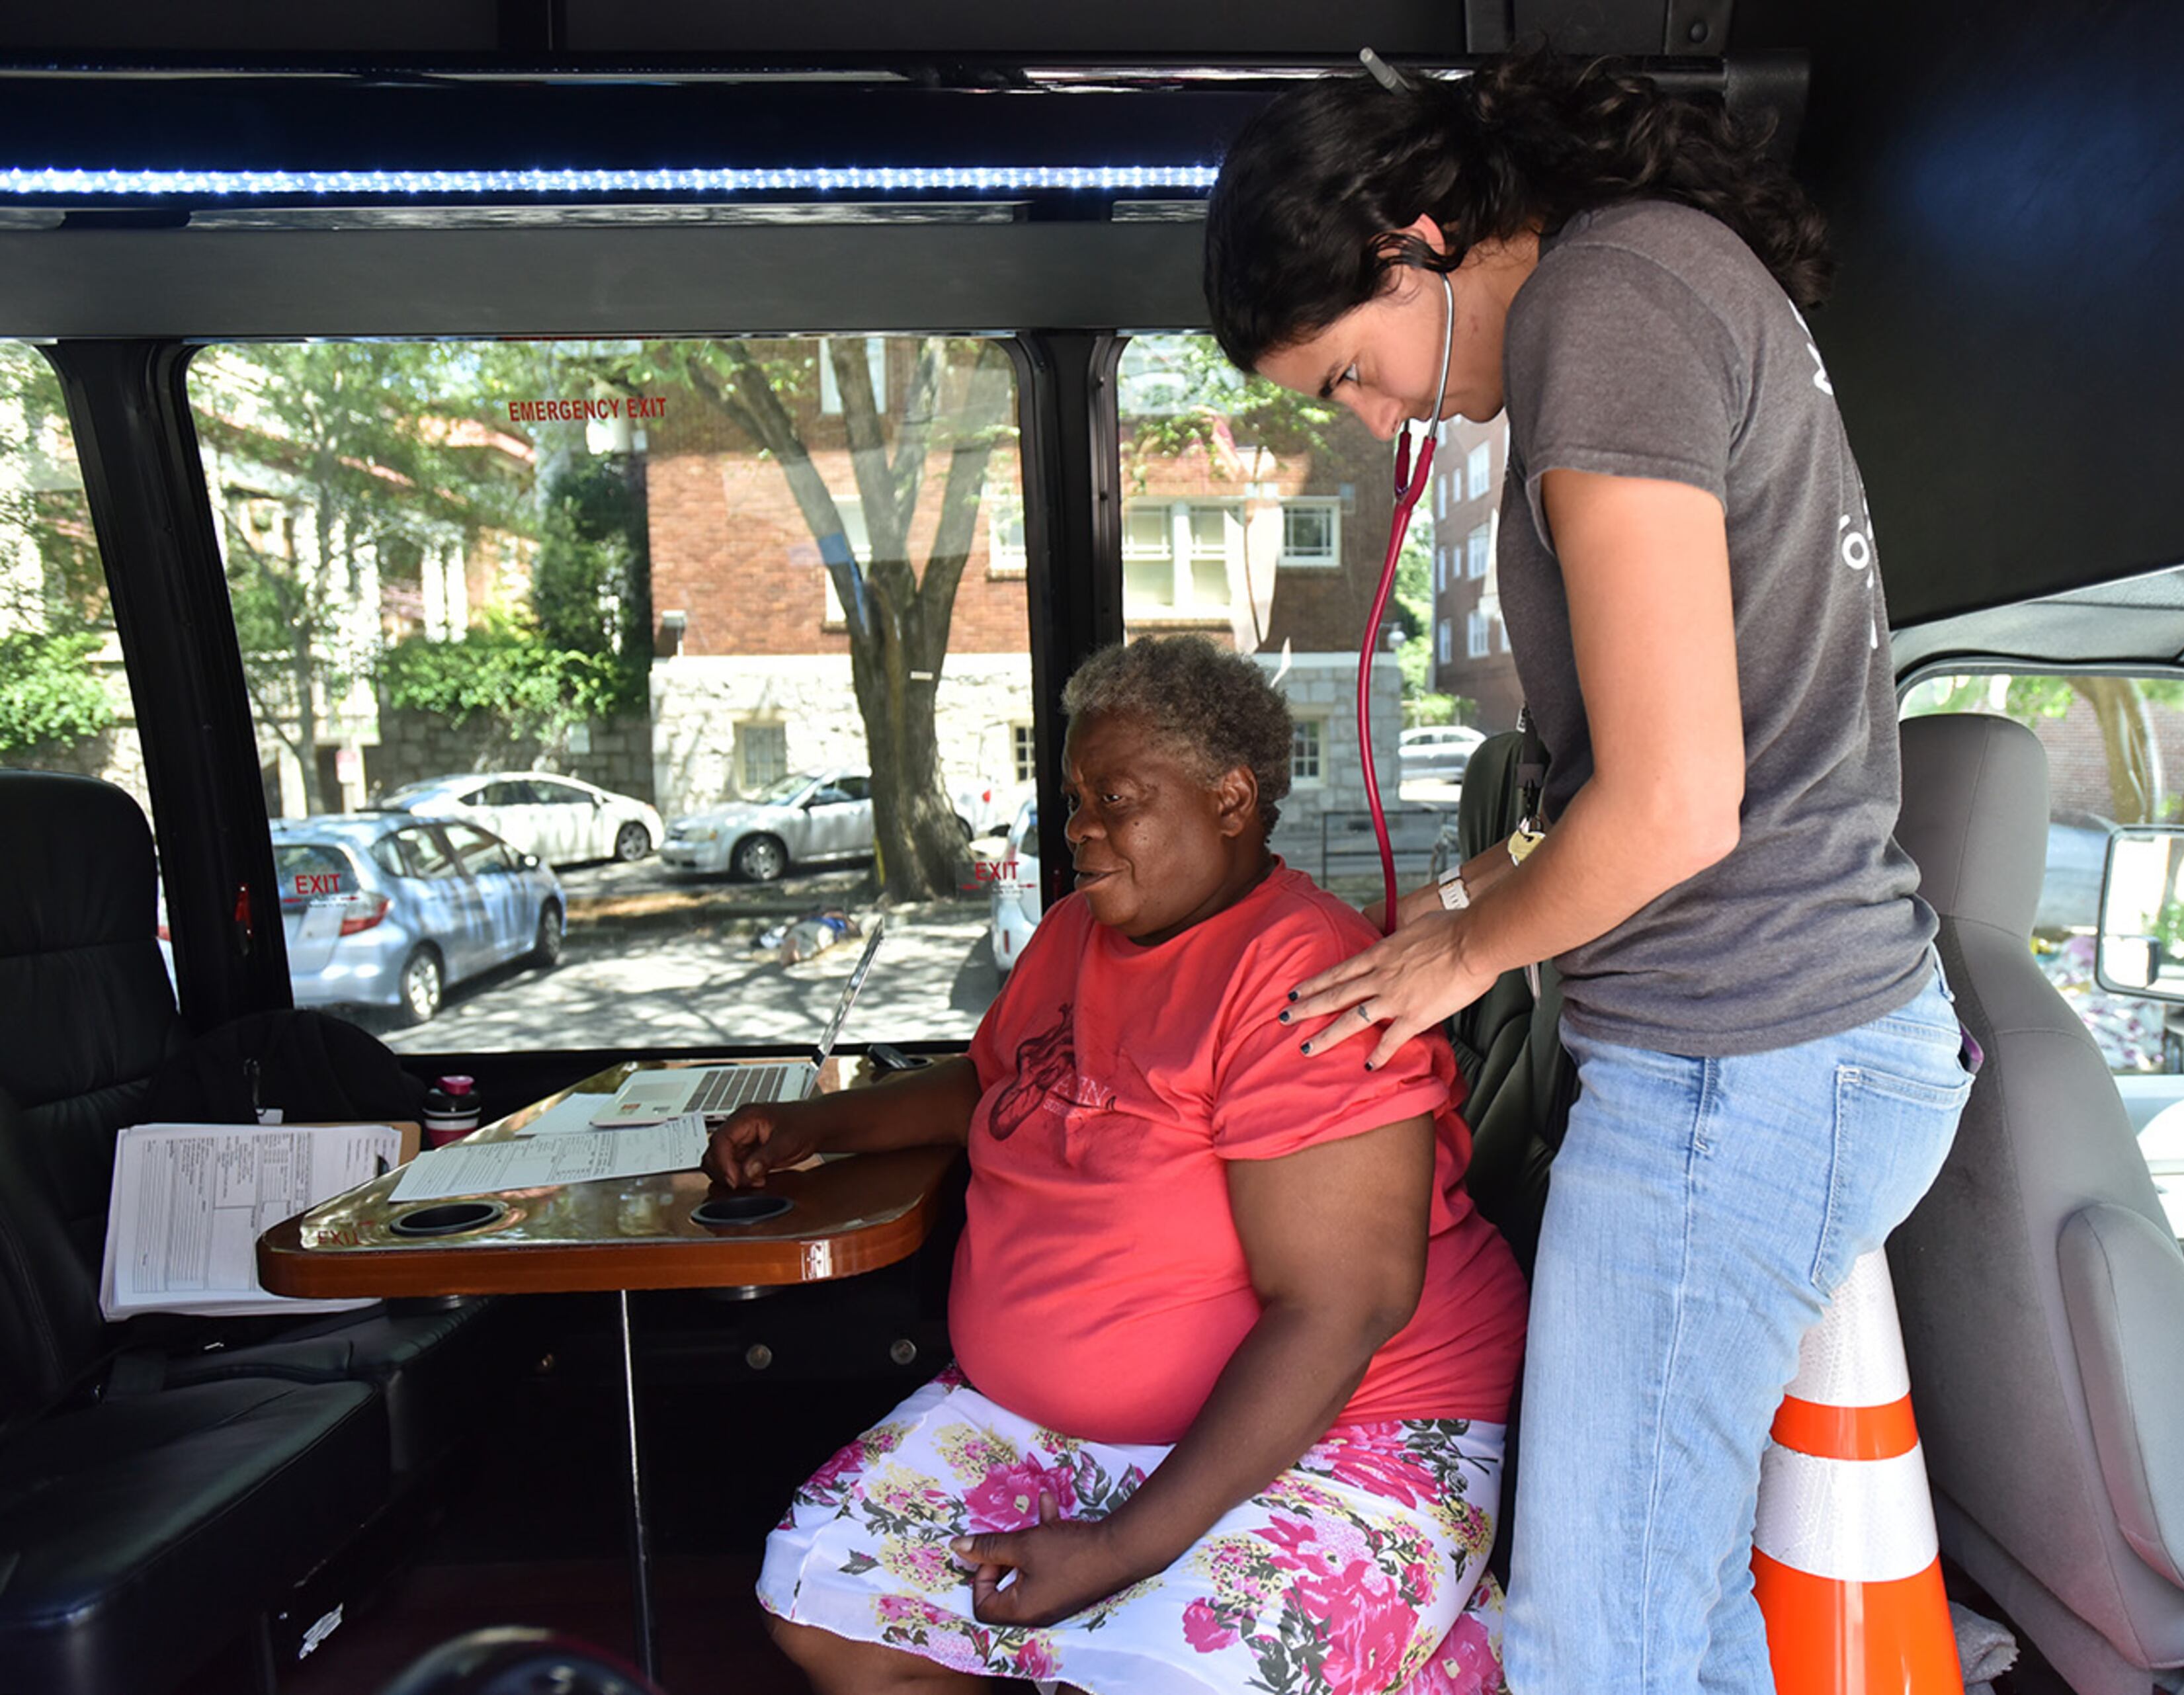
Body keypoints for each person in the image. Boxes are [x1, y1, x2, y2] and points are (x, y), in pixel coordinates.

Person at [1204, 46, 1972, 1694]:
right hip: (1785, 1046)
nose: (1373, 422)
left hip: (1742, 1060)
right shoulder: (1645, 278)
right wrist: (1484, 890)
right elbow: (1671, 764)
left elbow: (1684, 804)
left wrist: (1455, 965)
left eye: (1349, 373)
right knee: (1672, 1617)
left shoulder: (1601, 312)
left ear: (1414, 238)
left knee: (1591, 1642)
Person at [712, 635, 1529, 1695]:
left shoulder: (1304, 978)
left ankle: (1434, 1646)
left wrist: (1115, 1550)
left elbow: (1340, 1308)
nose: (1081, 828)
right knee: (824, 1600)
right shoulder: (1071, 935)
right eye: (1074, 797)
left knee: (1181, 1680)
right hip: (1067, 1425)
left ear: (1232, 800)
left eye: (1117, 798)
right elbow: (999, 1083)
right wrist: (827, 1123)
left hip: (1348, 1425)